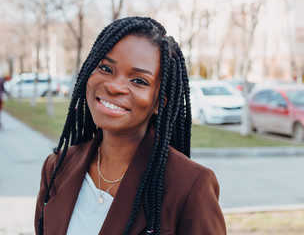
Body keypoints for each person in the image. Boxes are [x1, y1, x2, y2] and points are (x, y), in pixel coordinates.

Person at [35, 17, 226, 235]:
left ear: (159, 103)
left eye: (139, 81)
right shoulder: (57, 167)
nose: (114, 86)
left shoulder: (190, 186)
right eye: (106, 68)